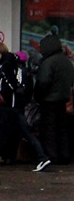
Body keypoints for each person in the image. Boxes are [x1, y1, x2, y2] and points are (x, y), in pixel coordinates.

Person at [0, 43, 51, 172]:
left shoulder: (7, 66)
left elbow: (0, 83)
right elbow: (26, 90)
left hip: (7, 105)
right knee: (24, 132)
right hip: (17, 106)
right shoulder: (22, 71)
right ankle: (42, 157)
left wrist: (6, 92)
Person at [33, 32, 74, 165]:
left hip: (48, 100)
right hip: (63, 99)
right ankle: (64, 155)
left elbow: (43, 82)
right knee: (62, 129)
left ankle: (51, 156)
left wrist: (37, 96)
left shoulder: (48, 62)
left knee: (48, 129)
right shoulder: (66, 62)